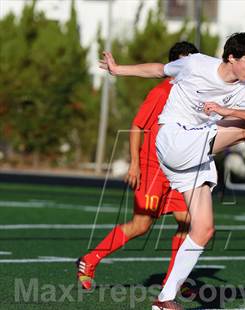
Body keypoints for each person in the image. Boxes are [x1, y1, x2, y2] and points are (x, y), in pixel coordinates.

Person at [100, 32, 245, 309]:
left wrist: (226, 110)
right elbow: (157, 70)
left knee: (203, 229)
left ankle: (164, 300)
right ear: (231, 57)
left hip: (194, 151)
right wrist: (118, 70)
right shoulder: (196, 63)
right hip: (173, 138)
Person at [76, 41, 199, 291]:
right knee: (141, 226)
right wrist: (135, 164)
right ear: (174, 65)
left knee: (188, 222)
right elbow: (137, 126)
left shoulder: (194, 93)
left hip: (177, 170)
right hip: (153, 168)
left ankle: (173, 281)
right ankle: (89, 261)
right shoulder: (162, 92)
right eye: (186, 63)